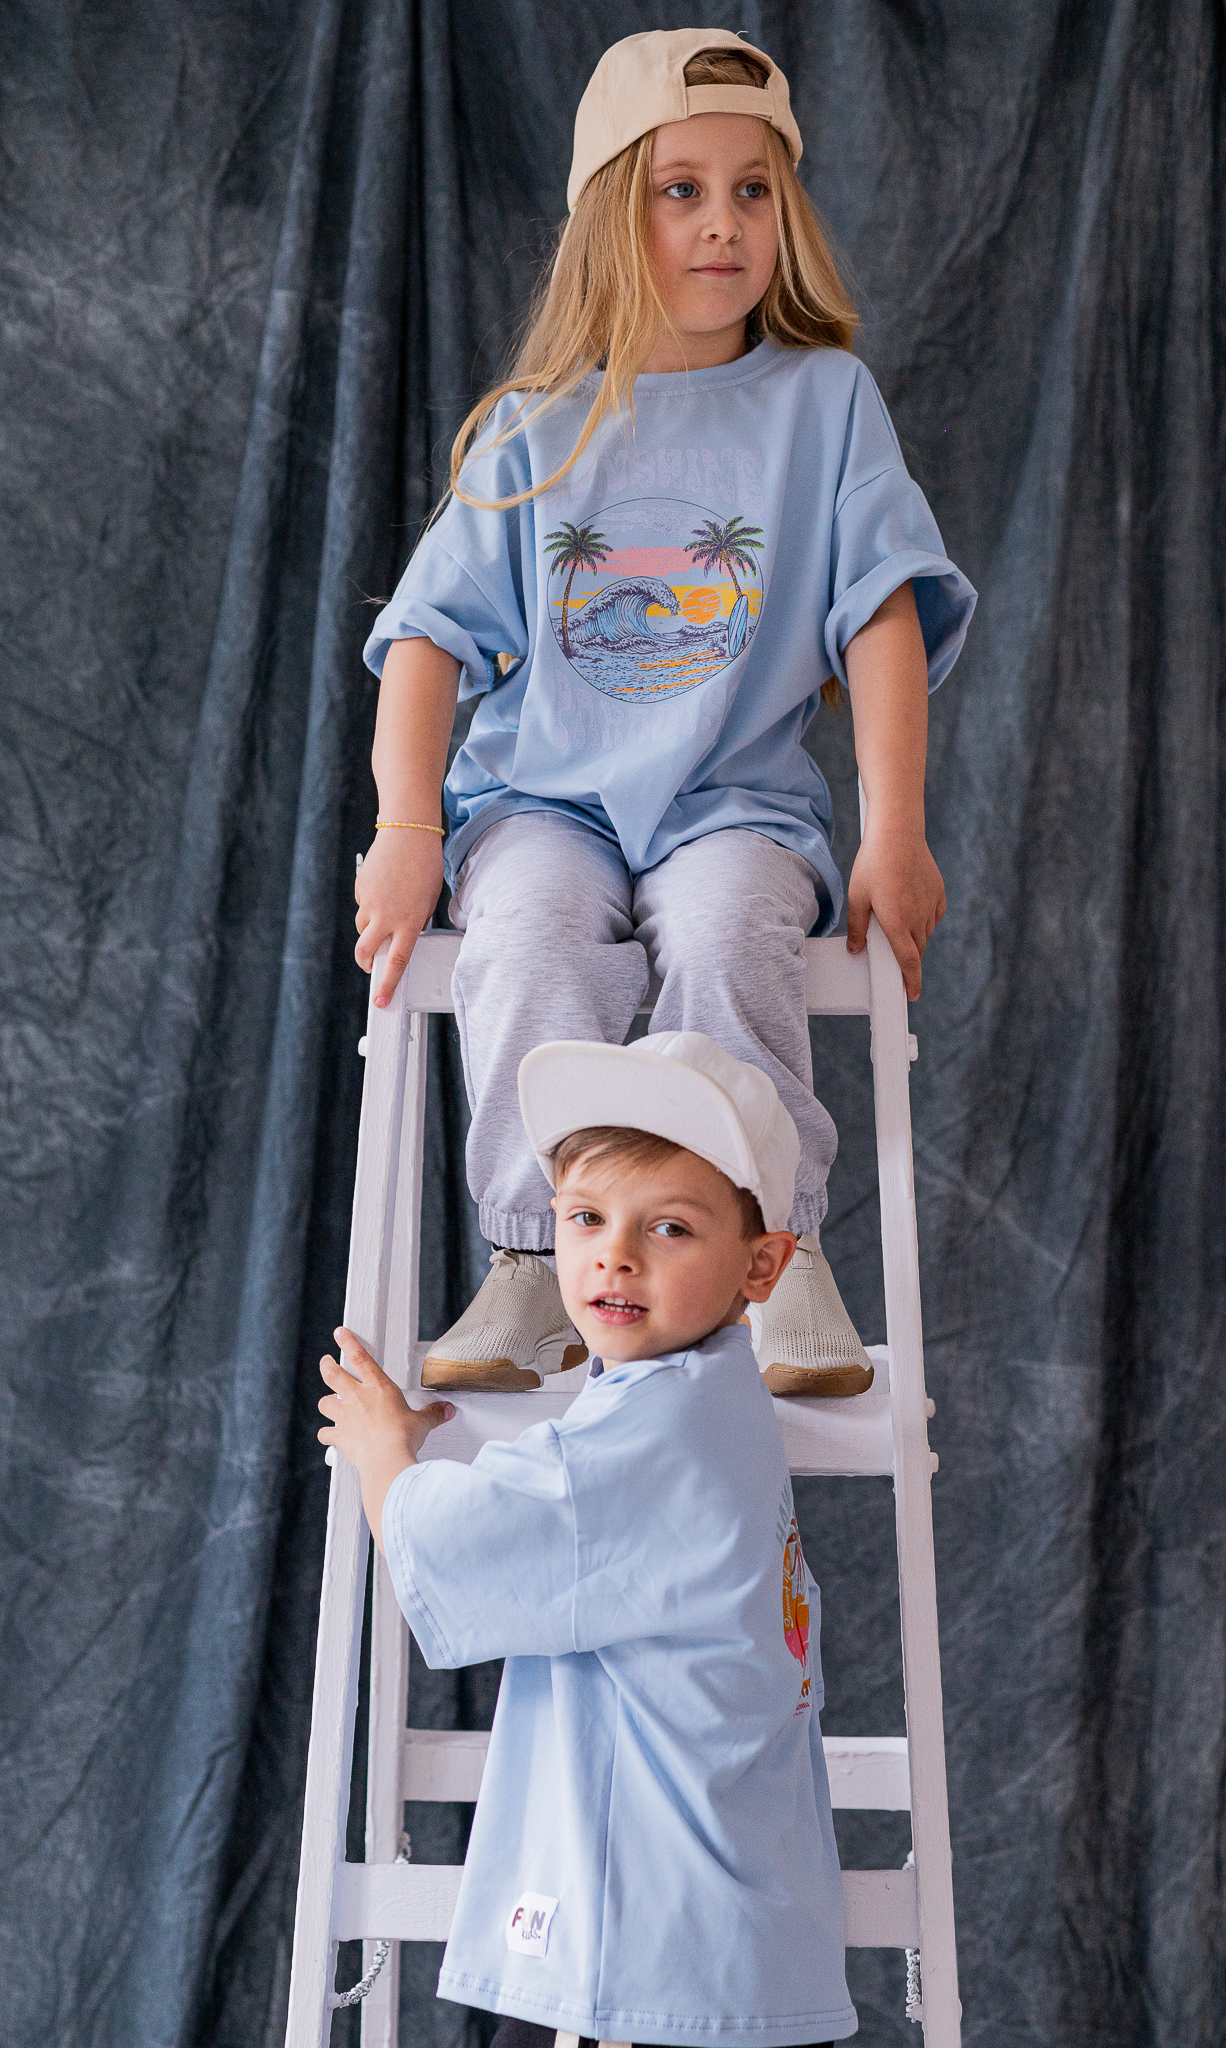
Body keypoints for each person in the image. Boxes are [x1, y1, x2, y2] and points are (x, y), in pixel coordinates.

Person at [357, 29, 976, 1398]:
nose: (722, 224)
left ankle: (777, 1249)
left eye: (754, 190)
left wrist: (895, 831)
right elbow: (425, 639)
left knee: (726, 931)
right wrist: (408, 830)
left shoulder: (824, 403)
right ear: (609, 215)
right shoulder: (540, 424)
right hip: (545, 805)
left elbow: (879, 609)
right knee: (525, 933)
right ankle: (535, 1253)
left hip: (730, 807)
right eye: (679, 190)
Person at [318, 1031, 856, 2048]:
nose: (615, 1253)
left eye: (669, 1226)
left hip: (647, 1962)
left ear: (762, 1265)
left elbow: (447, 1545)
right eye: (584, 1217)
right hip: (732, 1950)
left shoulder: (645, 1437)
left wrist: (385, 1449)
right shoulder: (717, 1403)